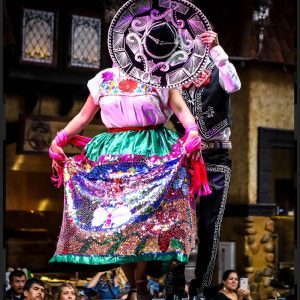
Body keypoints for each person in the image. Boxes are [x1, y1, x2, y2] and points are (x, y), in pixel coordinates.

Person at [49, 1, 213, 299]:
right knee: (119, 225)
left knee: (146, 224)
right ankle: (136, 287)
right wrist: (58, 140)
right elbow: (83, 117)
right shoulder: (102, 80)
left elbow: (181, 109)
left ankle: (140, 285)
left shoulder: (161, 75)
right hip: (112, 156)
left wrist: (192, 132)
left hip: (153, 154)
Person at [165, 28, 241, 299]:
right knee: (178, 222)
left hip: (216, 157)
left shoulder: (219, 67)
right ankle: (173, 285)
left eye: (193, 42)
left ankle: (201, 288)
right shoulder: (173, 77)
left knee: (210, 225)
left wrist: (218, 50)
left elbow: (235, 84)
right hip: (184, 159)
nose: (189, 48)